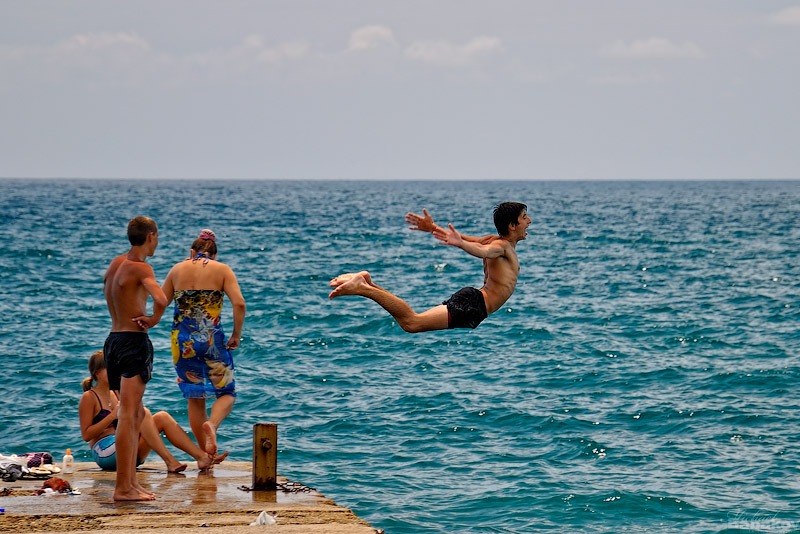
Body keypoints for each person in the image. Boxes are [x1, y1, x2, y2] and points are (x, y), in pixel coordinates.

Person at [329, 202, 530, 333]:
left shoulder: (493, 240)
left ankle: (367, 283)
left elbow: (469, 240)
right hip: (474, 305)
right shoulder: (501, 247)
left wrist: (434, 228)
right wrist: (461, 245)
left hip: (474, 301)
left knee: (412, 322)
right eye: (524, 218)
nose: (529, 221)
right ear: (512, 225)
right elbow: (480, 250)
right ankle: (363, 288)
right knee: (412, 323)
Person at [162, 229, 246, 460]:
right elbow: (239, 303)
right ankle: (213, 425)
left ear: (192, 251)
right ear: (214, 254)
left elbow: (160, 301)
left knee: (195, 398)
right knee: (227, 393)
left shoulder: (177, 269)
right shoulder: (222, 270)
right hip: (212, 341)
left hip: (182, 342)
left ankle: (204, 457)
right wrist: (236, 334)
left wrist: (149, 320)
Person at [78, 350, 229, 473]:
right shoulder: (89, 397)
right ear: (97, 373)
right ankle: (170, 461)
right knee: (143, 412)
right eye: (109, 368)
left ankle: (202, 457)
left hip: (127, 449)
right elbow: (86, 435)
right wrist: (112, 416)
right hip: (104, 452)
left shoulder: (117, 392)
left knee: (161, 417)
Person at [103, 216, 167, 501]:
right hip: (133, 342)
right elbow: (162, 298)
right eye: (158, 237)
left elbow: (112, 292)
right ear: (151, 236)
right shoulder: (142, 267)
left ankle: (130, 482)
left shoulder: (116, 264)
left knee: (137, 413)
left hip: (113, 340)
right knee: (129, 416)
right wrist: (154, 318)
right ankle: (123, 488)